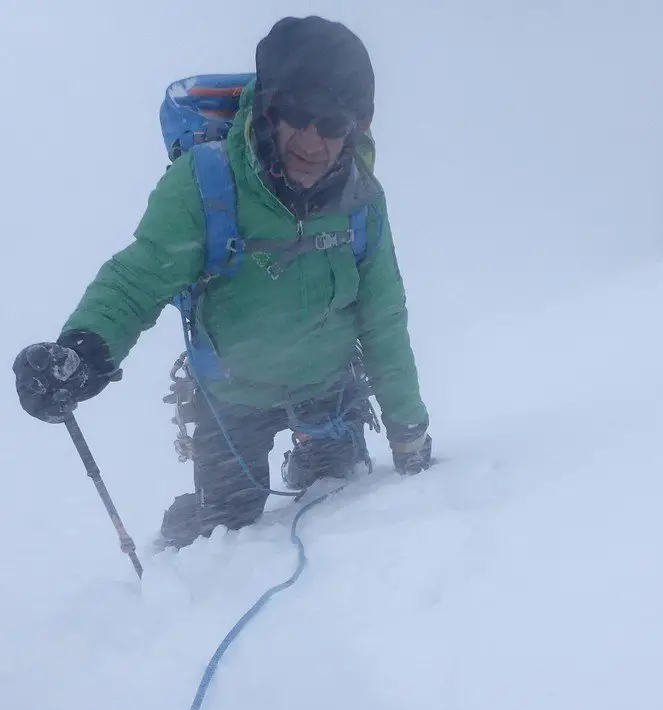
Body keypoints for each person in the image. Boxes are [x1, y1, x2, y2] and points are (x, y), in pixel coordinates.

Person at [13, 15, 432, 550]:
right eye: (296, 114)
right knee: (227, 530)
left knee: (337, 496)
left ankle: (309, 458)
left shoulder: (361, 201)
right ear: (265, 108)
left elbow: (383, 317)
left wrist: (409, 432)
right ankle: (186, 533)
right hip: (232, 403)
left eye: (332, 123)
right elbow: (137, 279)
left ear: (356, 128)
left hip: (330, 390)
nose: (311, 139)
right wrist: (83, 350)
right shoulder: (204, 184)